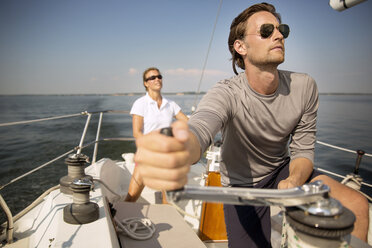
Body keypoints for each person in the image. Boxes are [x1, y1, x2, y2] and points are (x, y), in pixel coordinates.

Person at [134, 3, 369, 247]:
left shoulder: (305, 87)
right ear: (241, 46)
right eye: (266, 31)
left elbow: (302, 150)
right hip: (240, 183)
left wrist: (294, 181)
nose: (278, 35)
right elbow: (201, 127)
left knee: (357, 205)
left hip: (282, 169)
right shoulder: (227, 92)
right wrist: (179, 150)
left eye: (281, 30)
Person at [124, 67, 188, 202]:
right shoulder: (140, 103)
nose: (157, 79)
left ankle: (166, 218)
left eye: (159, 76)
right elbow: (137, 132)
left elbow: (187, 122)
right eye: (152, 78)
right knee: (132, 196)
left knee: (168, 199)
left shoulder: (170, 104)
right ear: (145, 83)